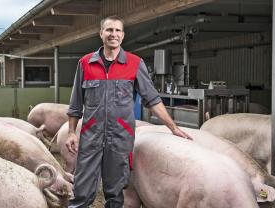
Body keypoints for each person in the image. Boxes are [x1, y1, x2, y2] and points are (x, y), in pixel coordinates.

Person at [66, 15, 192, 208]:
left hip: (120, 140)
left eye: (117, 30)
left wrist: (173, 128)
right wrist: (71, 132)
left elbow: (152, 100)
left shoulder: (134, 63)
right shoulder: (85, 63)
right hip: (91, 139)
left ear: (122, 35)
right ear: (101, 34)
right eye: (109, 30)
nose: (113, 34)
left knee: (116, 195)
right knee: (81, 193)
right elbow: (75, 103)